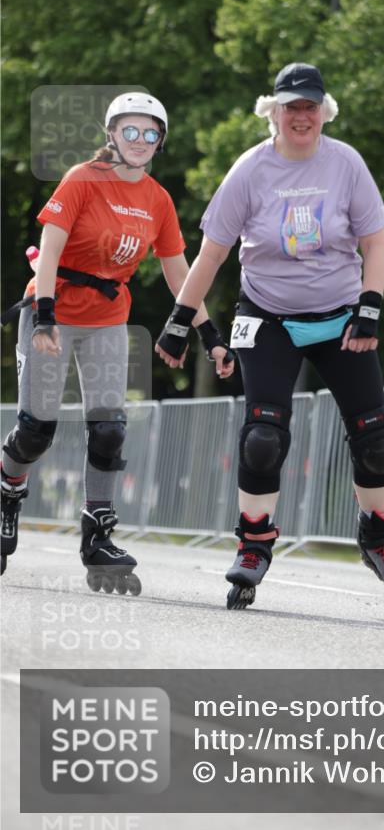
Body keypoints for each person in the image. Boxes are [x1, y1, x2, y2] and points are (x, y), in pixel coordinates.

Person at [155, 63, 384, 611]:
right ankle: (254, 544)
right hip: (268, 317)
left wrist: (369, 308)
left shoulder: (346, 163)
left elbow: (376, 243)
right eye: (290, 107)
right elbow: (213, 254)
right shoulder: (250, 170)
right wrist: (181, 323)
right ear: (271, 111)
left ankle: (378, 537)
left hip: (340, 314)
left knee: (376, 441)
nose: (301, 116)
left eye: (310, 106)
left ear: (325, 111)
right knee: (264, 436)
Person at [0, 92, 233, 590]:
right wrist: (43, 318)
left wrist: (210, 335)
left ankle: (97, 533)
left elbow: (181, 276)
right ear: (112, 134)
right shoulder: (83, 179)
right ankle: (7, 489)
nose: (141, 141)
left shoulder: (158, 200)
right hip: (55, 312)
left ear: (160, 142)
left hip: (108, 318)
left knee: (108, 428)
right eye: (131, 131)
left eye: (151, 134)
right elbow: (50, 251)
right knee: (35, 432)